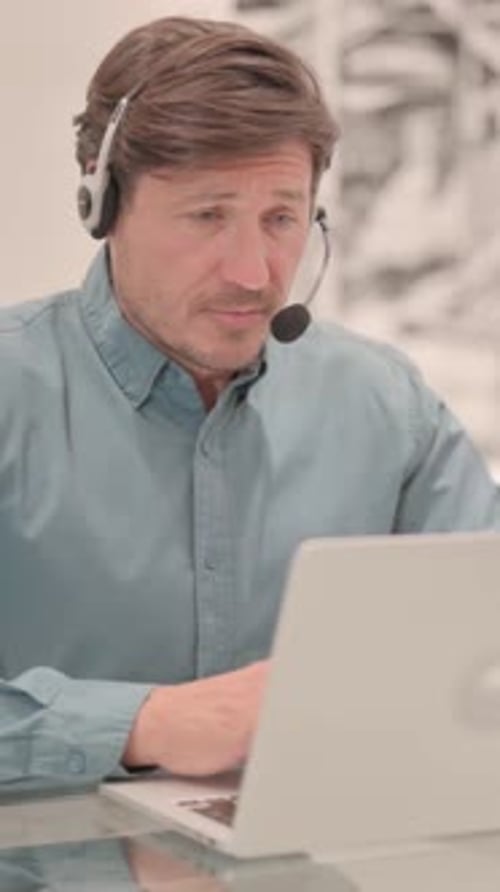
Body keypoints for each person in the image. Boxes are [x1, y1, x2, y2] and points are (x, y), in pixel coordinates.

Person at [0, 16, 497, 793]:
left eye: (281, 218)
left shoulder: (384, 405)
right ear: (103, 205)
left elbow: (482, 650)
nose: (252, 271)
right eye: (208, 216)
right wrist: (143, 725)